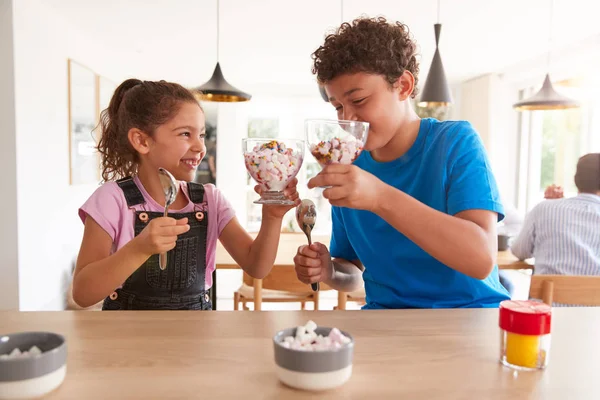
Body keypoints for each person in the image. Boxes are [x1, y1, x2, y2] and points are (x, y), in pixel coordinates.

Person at [294, 17, 509, 309]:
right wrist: (330, 271)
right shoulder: (350, 167)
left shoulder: (455, 142)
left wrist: (380, 197)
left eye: (358, 100)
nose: (347, 119)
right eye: (338, 107)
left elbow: (482, 260)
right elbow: (354, 272)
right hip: (386, 322)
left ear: (404, 86)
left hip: (468, 318)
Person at [73, 79, 299, 310]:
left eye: (201, 135)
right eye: (185, 134)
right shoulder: (112, 199)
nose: (200, 147)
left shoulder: (210, 200)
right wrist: (138, 248)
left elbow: (256, 267)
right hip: (128, 339)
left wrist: (272, 217)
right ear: (142, 141)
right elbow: (82, 293)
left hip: (197, 336)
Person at [511, 153, 600, 276]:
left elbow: (519, 251)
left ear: (575, 179)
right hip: (593, 295)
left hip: (549, 295)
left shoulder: (544, 209)